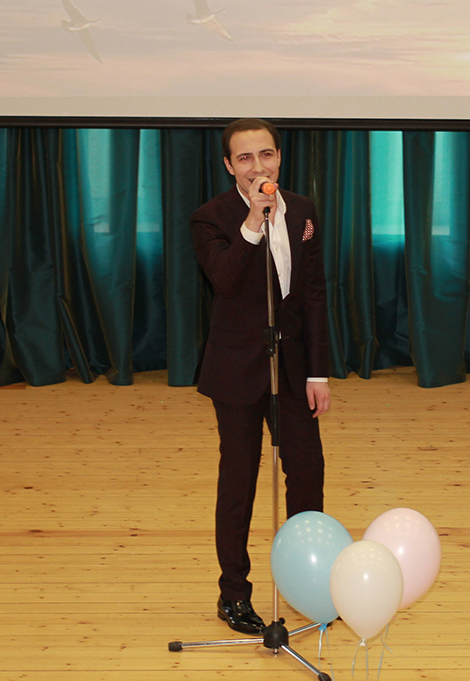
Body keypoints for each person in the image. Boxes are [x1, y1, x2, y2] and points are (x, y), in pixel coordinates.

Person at [190, 118, 330, 634]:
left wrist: (318, 372)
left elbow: (312, 293)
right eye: (245, 158)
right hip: (236, 370)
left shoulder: (303, 210)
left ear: (279, 157)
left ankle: (307, 582)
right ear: (230, 166)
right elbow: (225, 281)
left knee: (307, 472)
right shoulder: (210, 218)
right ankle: (234, 593)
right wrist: (253, 221)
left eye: (266, 154)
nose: (257, 167)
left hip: (292, 368)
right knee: (240, 480)